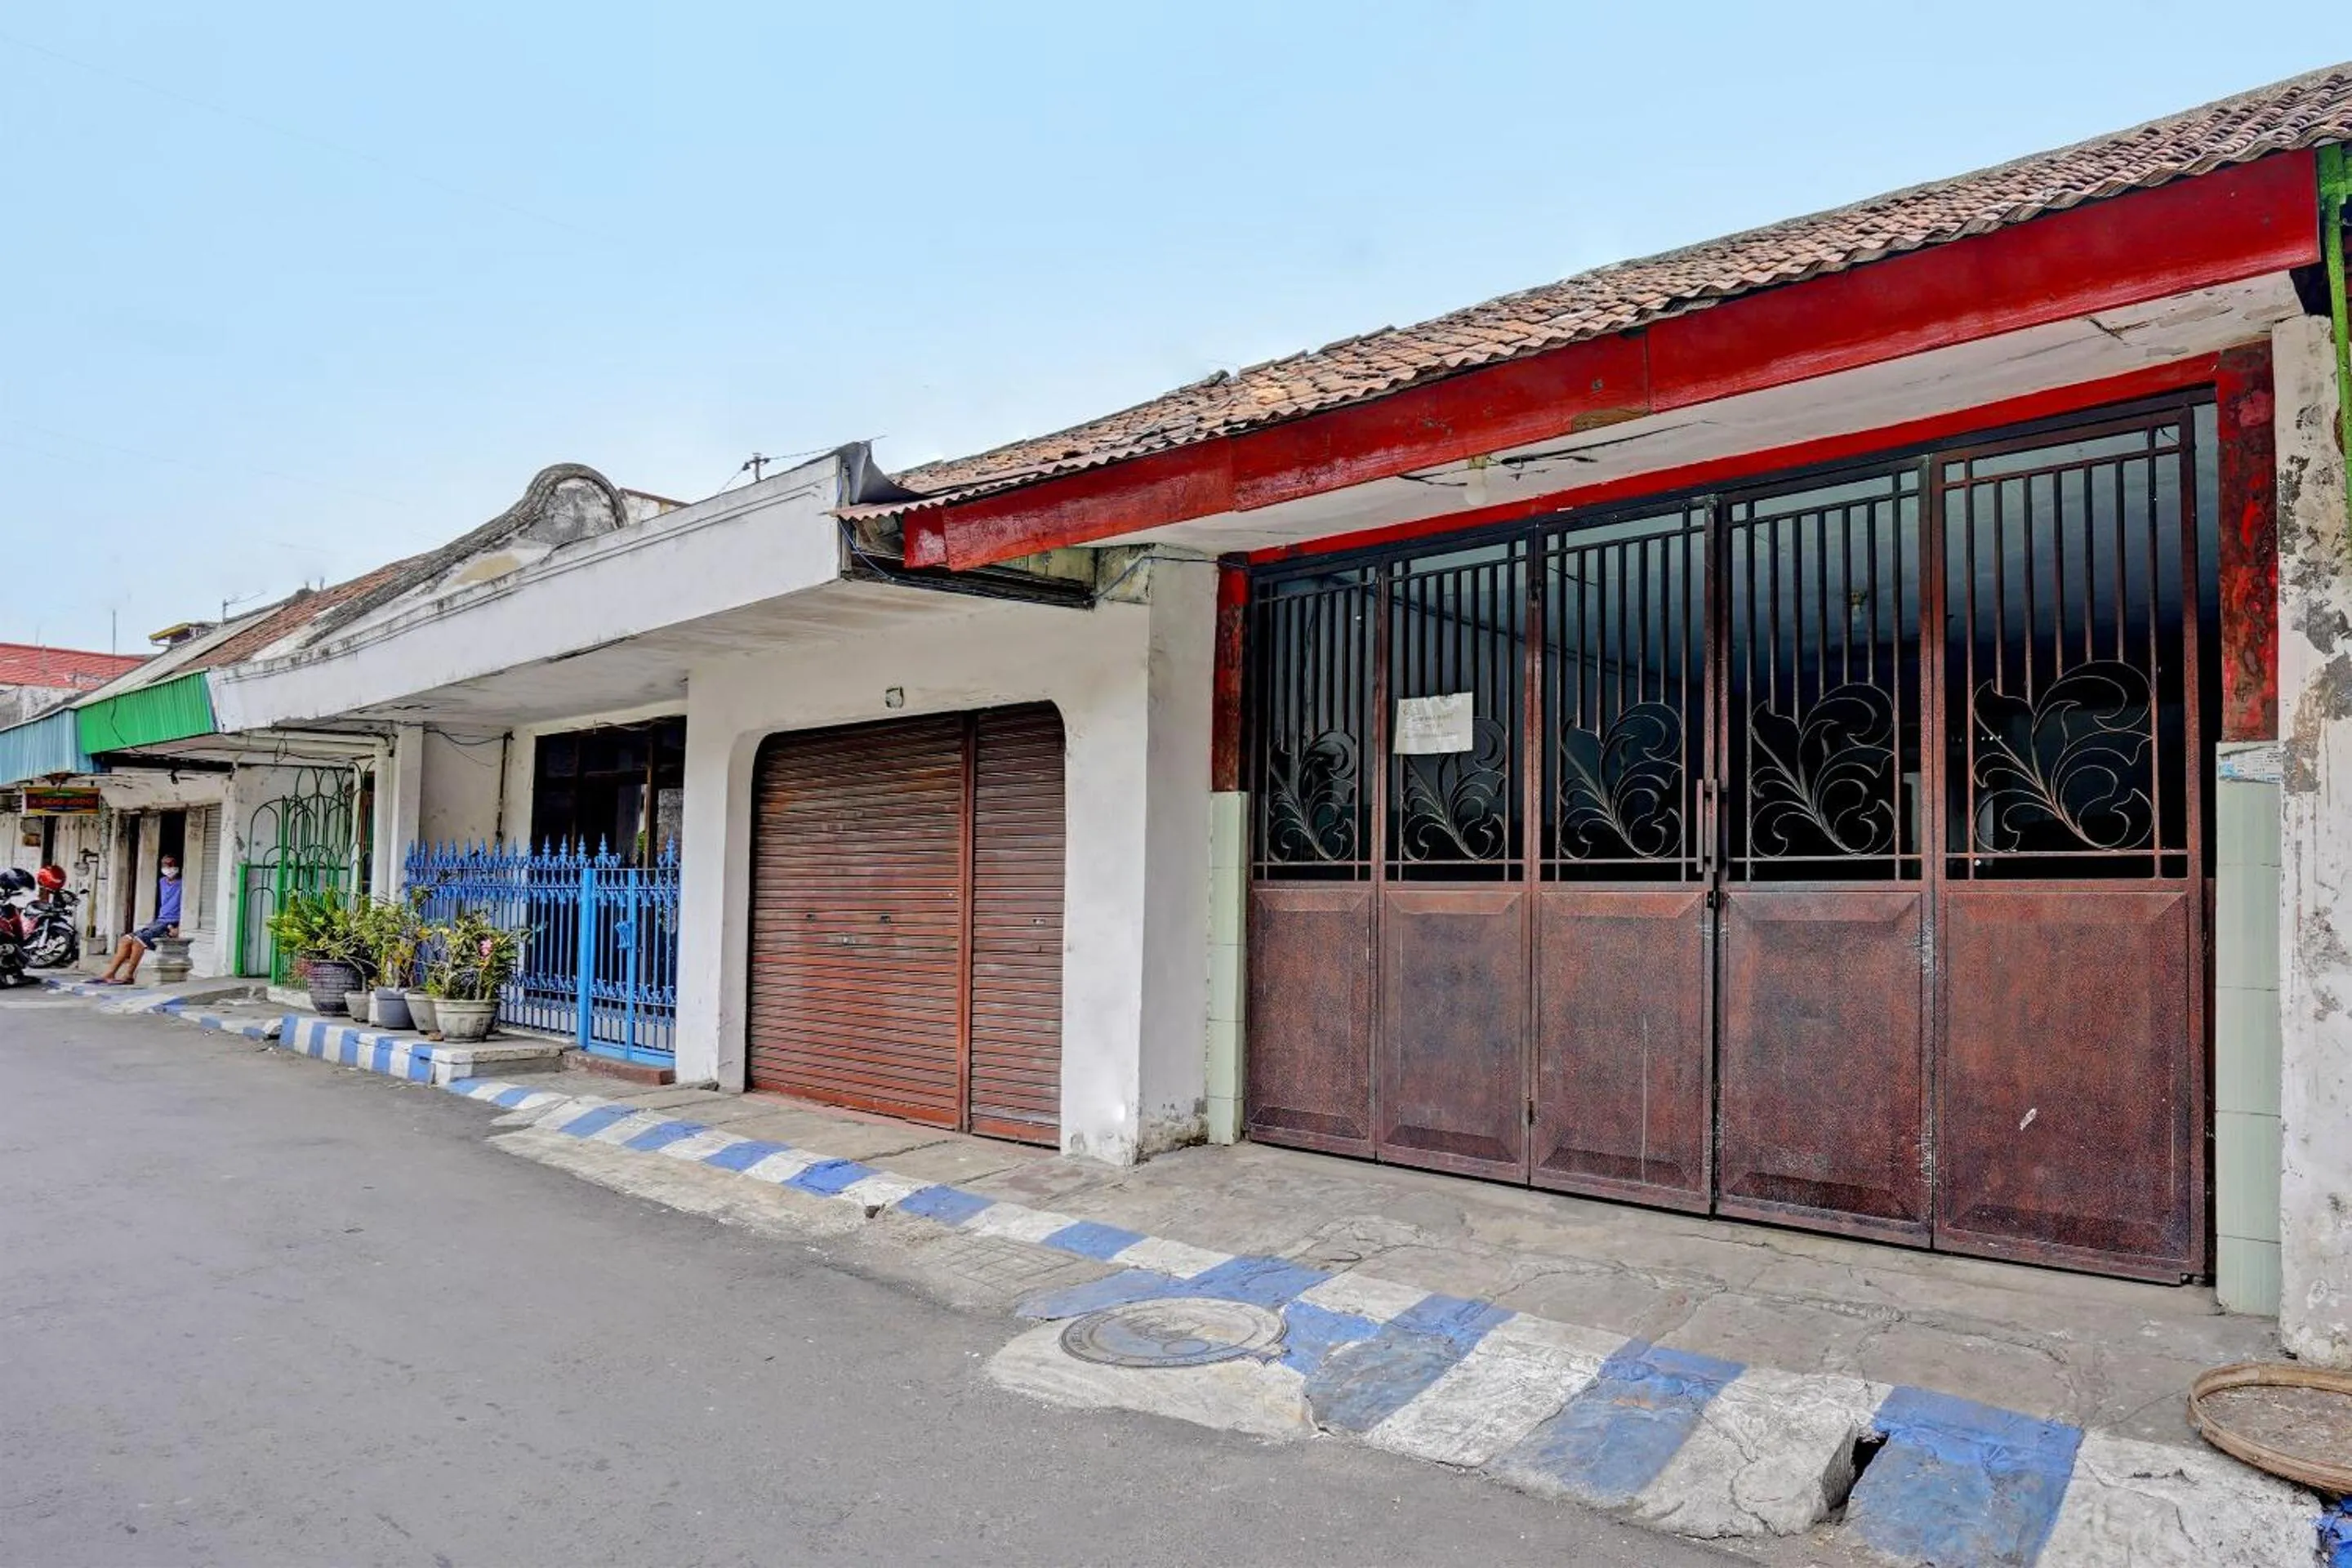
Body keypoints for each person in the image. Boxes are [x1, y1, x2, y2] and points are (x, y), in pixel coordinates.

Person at [92, 853, 181, 986]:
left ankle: (129, 975)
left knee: (139, 942)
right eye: (165, 865)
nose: (168, 868)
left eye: (171, 865)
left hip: (171, 922)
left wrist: (179, 927)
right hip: (159, 921)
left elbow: (188, 906)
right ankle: (109, 974)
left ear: (177, 867)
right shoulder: (162, 882)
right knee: (126, 940)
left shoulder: (183, 884)